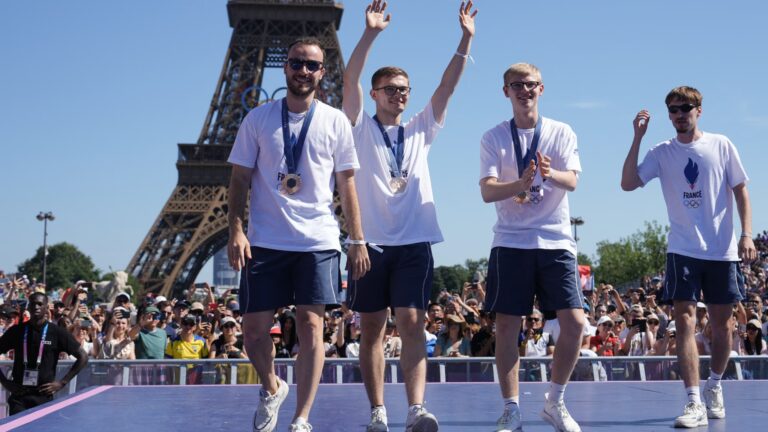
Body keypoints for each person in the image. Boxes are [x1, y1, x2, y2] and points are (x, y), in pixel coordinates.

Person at [341, 1, 477, 430]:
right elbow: (349, 80)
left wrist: (465, 39)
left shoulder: (420, 127)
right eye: (392, 89)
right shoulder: (359, 127)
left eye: (405, 89)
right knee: (372, 330)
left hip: (414, 241)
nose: (401, 94)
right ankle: (378, 411)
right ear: (376, 94)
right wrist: (370, 34)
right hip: (372, 244)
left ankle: (416, 408)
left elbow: (447, 87)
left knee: (415, 324)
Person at [226, 35, 370, 432]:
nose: (303, 70)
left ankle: (302, 417)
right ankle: (272, 387)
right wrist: (235, 229)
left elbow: (348, 185)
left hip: (318, 240)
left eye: (311, 65)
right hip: (265, 241)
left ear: (322, 73)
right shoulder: (257, 118)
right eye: (296, 63)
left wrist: (356, 239)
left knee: (311, 327)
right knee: (253, 332)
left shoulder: (335, 120)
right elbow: (239, 179)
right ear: (284, 66)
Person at [621, 85, 757, 428]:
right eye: (673, 109)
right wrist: (637, 138)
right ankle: (694, 400)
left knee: (723, 326)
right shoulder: (661, 152)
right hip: (682, 249)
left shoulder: (721, 145)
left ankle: (714, 385)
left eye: (686, 107)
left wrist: (746, 234)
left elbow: (741, 190)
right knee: (683, 321)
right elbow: (627, 184)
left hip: (721, 250)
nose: (679, 114)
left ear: (699, 110)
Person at [479, 62, 584, 432]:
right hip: (511, 240)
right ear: (505, 91)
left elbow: (571, 180)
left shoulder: (561, 131)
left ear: (542, 88)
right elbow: (487, 191)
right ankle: (511, 407)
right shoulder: (493, 137)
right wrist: (519, 184)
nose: (525, 90)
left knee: (575, 324)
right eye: (517, 85)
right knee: (507, 327)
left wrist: (547, 173)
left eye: (531, 84)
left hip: (555, 240)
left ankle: (554, 401)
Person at [0, 293, 88, 415]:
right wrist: (5, 382)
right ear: (28, 307)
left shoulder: (57, 332)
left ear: (47, 307)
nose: (36, 307)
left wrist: (62, 382)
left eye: (40, 304)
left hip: (43, 396)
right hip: (19, 396)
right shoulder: (17, 331)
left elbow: (83, 357)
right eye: (33, 304)